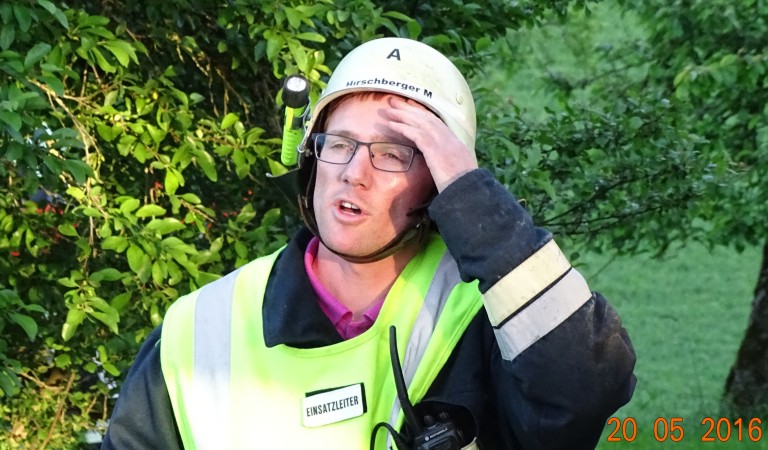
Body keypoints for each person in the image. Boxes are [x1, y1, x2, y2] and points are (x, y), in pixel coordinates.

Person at [101, 37, 636, 450]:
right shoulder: (200, 329)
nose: (353, 173)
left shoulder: (490, 319)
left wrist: (474, 197)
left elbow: (585, 392)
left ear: (440, 183)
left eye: (393, 154)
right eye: (339, 144)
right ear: (311, 158)